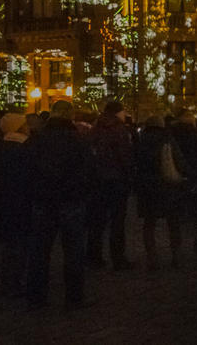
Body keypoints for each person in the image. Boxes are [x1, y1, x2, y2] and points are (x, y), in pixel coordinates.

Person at [26, 101, 90, 308]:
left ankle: (36, 297)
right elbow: (88, 169)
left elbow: (28, 169)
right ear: (70, 115)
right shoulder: (78, 140)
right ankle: (74, 298)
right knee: (73, 252)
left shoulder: (37, 139)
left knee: (39, 251)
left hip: (43, 200)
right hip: (71, 200)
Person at [86, 101, 135, 270]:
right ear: (118, 112)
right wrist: (129, 175)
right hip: (117, 179)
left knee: (97, 220)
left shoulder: (95, 128)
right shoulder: (119, 129)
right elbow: (125, 156)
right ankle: (118, 258)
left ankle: (94, 256)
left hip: (98, 180)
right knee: (117, 221)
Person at [136, 116, 188, 272]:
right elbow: (179, 160)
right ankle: (176, 256)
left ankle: (152, 258)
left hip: (147, 187)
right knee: (173, 222)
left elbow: (135, 162)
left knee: (149, 223)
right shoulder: (167, 139)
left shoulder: (141, 141)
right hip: (167, 186)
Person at [0, 113, 33, 297]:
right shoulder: (24, 148)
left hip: (4, 201)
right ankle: (15, 282)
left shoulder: (0, 147)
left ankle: (7, 282)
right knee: (19, 244)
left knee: (9, 244)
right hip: (21, 201)